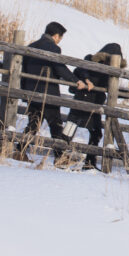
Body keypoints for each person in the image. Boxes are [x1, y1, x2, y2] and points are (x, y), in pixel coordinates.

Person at [21, 22, 90, 160]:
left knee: (33, 124)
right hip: (48, 92)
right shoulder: (53, 48)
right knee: (56, 124)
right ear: (56, 36)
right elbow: (59, 67)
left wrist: (24, 91)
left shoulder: (31, 46)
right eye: (60, 38)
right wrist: (75, 81)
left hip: (32, 92)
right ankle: (60, 157)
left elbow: (23, 69)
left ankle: (20, 150)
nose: (59, 41)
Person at [68, 42, 128, 171]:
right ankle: (60, 156)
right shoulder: (90, 59)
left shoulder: (111, 71)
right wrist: (87, 79)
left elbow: (112, 88)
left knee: (96, 133)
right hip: (82, 99)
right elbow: (80, 69)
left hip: (96, 103)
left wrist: (128, 95)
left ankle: (89, 162)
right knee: (70, 128)